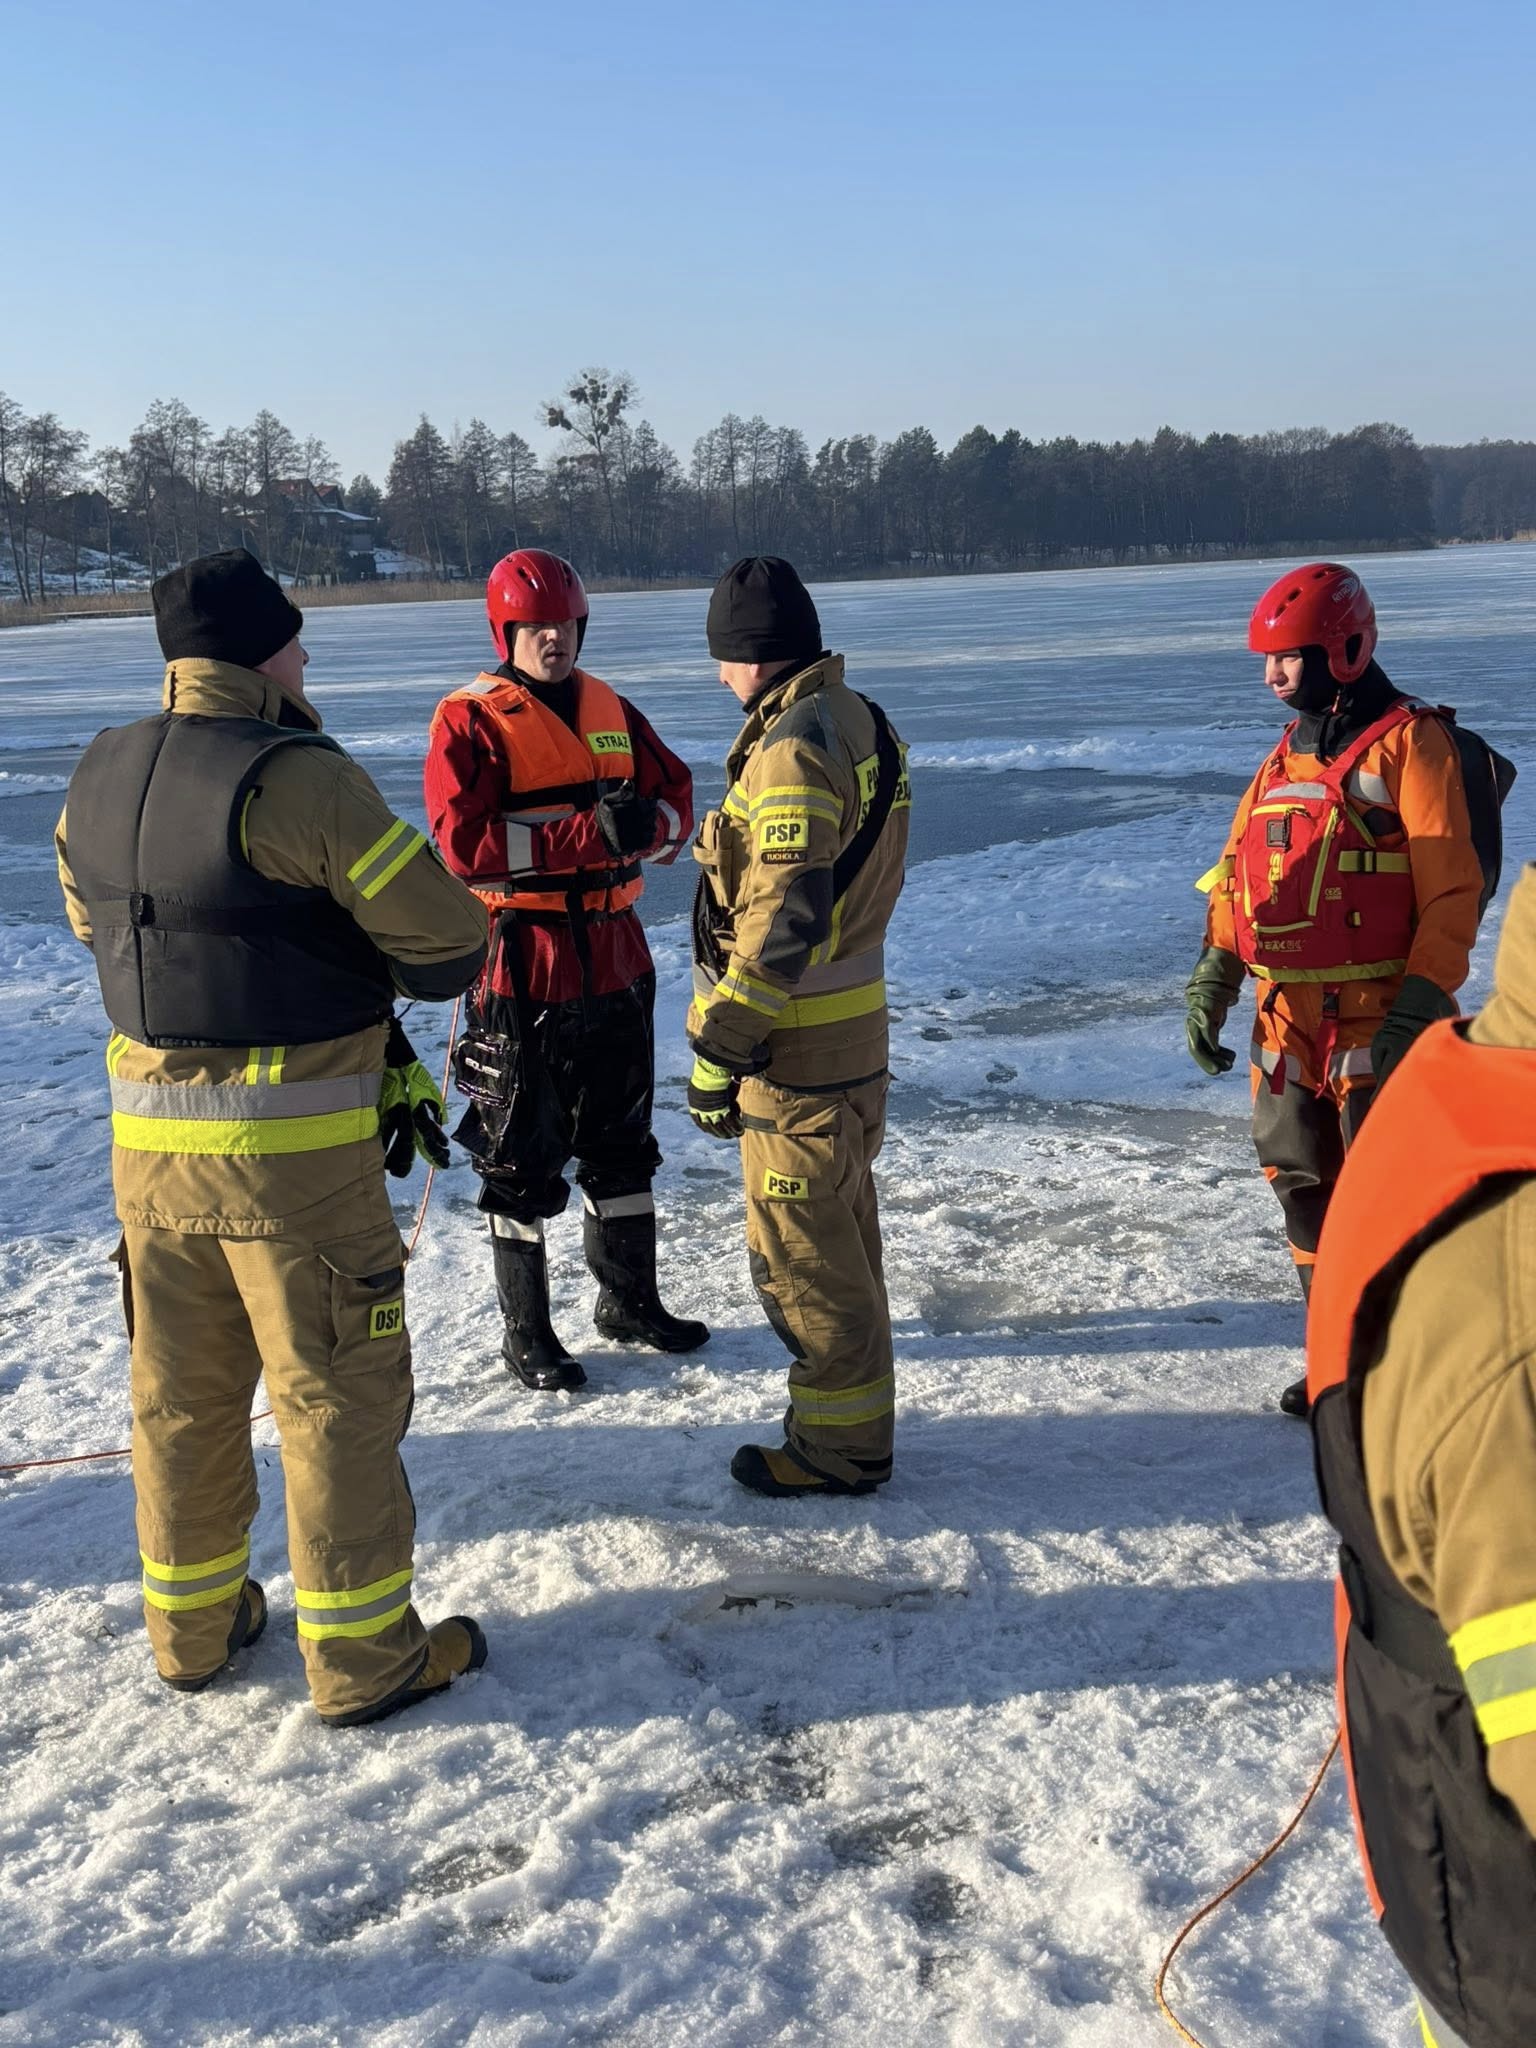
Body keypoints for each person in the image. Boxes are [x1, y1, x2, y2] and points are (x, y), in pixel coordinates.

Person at [54, 549, 490, 1725]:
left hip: (152, 1169)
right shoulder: (298, 779)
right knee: (335, 1402)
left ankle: (191, 1631)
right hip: (292, 1176)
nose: (308, 655)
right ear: (261, 651)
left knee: (181, 1403)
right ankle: (364, 1657)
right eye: (296, 637)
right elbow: (449, 939)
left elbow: (96, 925)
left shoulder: (98, 772)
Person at [1307, 865, 1536, 2048]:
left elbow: (1447, 883)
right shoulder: (1516, 1317)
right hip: (1504, 1927)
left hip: (1473, 1891)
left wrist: (1409, 991)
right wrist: (1220, 955)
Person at [1184, 562, 1482, 1417]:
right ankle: (1338, 1359)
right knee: (1304, 1193)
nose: (1271, 676)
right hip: (1288, 1023)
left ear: (1343, 650)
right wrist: (1216, 972)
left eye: (1287, 657)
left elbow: (1452, 889)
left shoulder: (1412, 744)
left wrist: (1425, 997)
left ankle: (1413, 1371)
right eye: (1267, 660)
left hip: (1379, 1017)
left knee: (1391, 1199)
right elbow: (1240, 875)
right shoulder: (1285, 755)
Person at [424, 549, 705, 1392]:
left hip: (615, 950)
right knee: (520, 1151)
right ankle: (528, 1332)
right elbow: (463, 844)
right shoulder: (470, 719)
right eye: (537, 628)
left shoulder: (611, 706)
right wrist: (591, 835)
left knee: (622, 1141)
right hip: (523, 959)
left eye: (567, 625)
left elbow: (678, 798)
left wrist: (652, 828)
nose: (555, 640)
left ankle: (630, 1301)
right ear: (506, 633)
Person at [688, 556, 910, 1498]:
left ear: (751, 656)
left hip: (797, 1062)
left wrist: (718, 1050)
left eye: (725, 657)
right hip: (849, 1051)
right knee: (845, 1248)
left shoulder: (792, 748)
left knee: (809, 1266)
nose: (721, 677)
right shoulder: (858, 719)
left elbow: (784, 920)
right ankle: (852, 1428)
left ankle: (840, 1449)